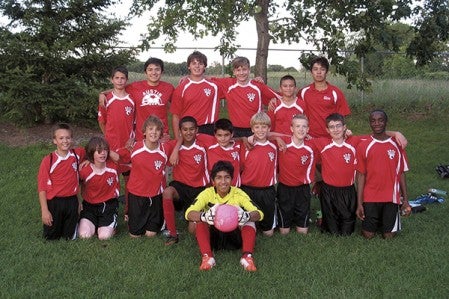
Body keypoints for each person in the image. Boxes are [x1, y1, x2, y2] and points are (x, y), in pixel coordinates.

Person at [185, 160, 263, 271]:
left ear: (232, 179)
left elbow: (259, 213)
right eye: (219, 178)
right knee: (197, 221)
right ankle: (208, 257)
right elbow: (189, 212)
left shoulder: (238, 193)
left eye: (227, 177)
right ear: (213, 181)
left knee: (249, 220)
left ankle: (247, 257)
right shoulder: (207, 193)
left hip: (234, 236)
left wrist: (247, 216)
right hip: (213, 236)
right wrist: (204, 216)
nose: (223, 182)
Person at [356, 109, 411, 239]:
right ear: (370, 123)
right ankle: (377, 219)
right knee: (368, 235)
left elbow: (401, 173)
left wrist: (406, 200)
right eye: (373, 121)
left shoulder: (397, 145)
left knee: (389, 236)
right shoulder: (364, 145)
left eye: (380, 120)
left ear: (386, 122)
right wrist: (359, 203)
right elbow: (361, 176)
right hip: (370, 196)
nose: (377, 123)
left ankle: (385, 219)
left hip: (390, 197)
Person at [117, 115, 175, 238]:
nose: (153, 132)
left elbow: (182, 144)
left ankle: (159, 220)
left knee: (151, 234)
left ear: (161, 133)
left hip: (155, 195)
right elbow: (116, 156)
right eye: (150, 129)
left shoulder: (166, 148)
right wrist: (90, 158)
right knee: (135, 235)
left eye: (157, 129)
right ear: (144, 132)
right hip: (137, 194)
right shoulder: (135, 147)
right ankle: (133, 218)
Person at [99, 57, 174, 141]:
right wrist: (103, 93)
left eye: (157, 69)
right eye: (150, 69)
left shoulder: (169, 88)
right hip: (141, 136)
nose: (153, 72)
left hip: (161, 136)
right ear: (145, 72)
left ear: (162, 72)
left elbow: (178, 108)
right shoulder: (136, 87)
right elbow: (119, 87)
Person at [162, 116, 210, 245]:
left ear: (197, 130)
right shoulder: (172, 145)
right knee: (167, 192)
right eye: (185, 130)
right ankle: (172, 234)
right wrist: (177, 145)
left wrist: (244, 138)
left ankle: (189, 213)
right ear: (180, 131)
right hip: (181, 188)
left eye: (192, 129)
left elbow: (224, 139)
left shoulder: (203, 144)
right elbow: (155, 146)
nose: (188, 132)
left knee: (193, 229)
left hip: (199, 190)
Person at [37, 123, 85, 240]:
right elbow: (42, 187)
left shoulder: (77, 154)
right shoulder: (49, 160)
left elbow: (94, 152)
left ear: (72, 139)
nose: (65, 141)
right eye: (61, 138)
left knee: (69, 237)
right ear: (54, 140)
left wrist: (87, 161)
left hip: (72, 201)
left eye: (68, 138)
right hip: (54, 202)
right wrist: (44, 211)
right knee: (51, 237)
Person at [97, 66, 134, 218]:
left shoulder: (132, 99)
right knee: (111, 179)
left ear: (127, 80)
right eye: (116, 78)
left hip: (127, 148)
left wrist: (132, 138)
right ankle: (109, 211)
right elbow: (102, 121)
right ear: (111, 79)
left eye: (122, 78)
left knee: (130, 180)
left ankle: (129, 211)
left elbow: (135, 121)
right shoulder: (107, 98)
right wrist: (107, 140)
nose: (119, 81)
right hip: (111, 147)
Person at [214, 56, 279, 137]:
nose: (241, 73)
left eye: (244, 69)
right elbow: (207, 81)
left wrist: (273, 100)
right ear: (234, 72)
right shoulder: (228, 84)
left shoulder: (258, 86)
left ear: (249, 70)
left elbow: (279, 96)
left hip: (256, 129)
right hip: (236, 129)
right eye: (238, 70)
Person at [277, 114, 316, 235]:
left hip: (302, 189)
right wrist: (277, 137)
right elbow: (264, 134)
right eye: (297, 126)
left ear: (308, 129)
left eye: (304, 126)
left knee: (302, 232)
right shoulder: (283, 143)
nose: (301, 129)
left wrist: (347, 132)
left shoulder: (311, 146)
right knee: (284, 231)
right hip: (285, 188)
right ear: (291, 128)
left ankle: (301, 219)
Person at [240, 112, 277, 236]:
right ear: (252, 129)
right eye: (257, 127)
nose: (260, 130)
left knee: (268, 233)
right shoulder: (246, 146)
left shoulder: (274, 147)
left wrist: (278, 138)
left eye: (264, 127)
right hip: (248, 190)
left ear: (269, 128)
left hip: (267, 191)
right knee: (249, 229)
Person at [170, 51, 224, 137]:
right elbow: (175, 116)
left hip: (209, 129)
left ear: (204, 66)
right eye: (194, 63)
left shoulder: (214, 86)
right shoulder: (181, 88)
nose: (197, 66)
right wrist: (177, 138)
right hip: (189, 129)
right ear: (189, 66)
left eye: (200, 63)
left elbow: (234, 85)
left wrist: (253, 80)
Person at [78, 136, 119, 240]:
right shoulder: (85, 170)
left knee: (104, 237)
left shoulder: (113, 166)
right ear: (92, 153)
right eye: (98, 151)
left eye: (105, 150)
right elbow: (75, 186)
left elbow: (120, 158)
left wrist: (107, 151)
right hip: (89, 206)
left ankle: (110, 225)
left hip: (108, 206)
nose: (103, 153)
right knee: (84, 235)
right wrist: (78, 202)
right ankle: (95, 224)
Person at [298, 56, 351, 138]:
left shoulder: (335, 92)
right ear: (311, 72)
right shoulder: (303, 92)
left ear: (327, 72)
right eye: (315, 69)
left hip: (331, 138)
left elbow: (342, 117)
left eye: (322, 69)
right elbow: (289, 99)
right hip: (310, 138)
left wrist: (344, 131)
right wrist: (274, 100)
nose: (319, 72)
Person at [205, 118, 243, 187]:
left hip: (234, 188)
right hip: (216, 189)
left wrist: (243, 139)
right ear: (215, 135)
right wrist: (177, 149)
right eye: (219, 135)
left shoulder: (238, 146)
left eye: (226, 135)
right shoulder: (210, 144)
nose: (223, 139)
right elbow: (189, 134)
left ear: (232, 134)